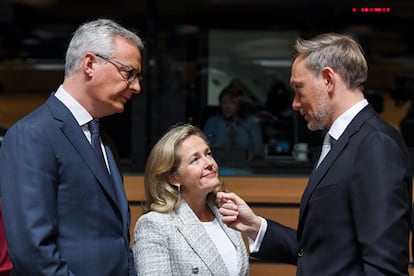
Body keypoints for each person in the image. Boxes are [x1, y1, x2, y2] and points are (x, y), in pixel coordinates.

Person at [218, 33, 412, 275]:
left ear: (328, 79)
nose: (295, 104)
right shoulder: (340, 141)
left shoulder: (375, 144)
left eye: (299, 89)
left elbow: (384, 268)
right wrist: (256, 226)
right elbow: (324, 251)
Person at [0, 18, 143, 275]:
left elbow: (118, 239)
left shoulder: (104, 141)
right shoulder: (32, 134)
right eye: (128, 73)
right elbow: (32, 251)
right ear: (90, 64)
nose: (136, 86)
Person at [132, 123, 249, 275]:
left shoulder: (225, 213)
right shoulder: (155, 225)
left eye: (208, 154)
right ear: (174, 178)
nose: (209, 163)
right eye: (195, 159)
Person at [204, 79, 264, 159]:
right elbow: (205, 149)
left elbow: (258, 151)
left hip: (246, 166)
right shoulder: (213, 122)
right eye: (224, 103)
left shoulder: (252, 123)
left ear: (240, 105)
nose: (227, 107)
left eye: (232, 103)